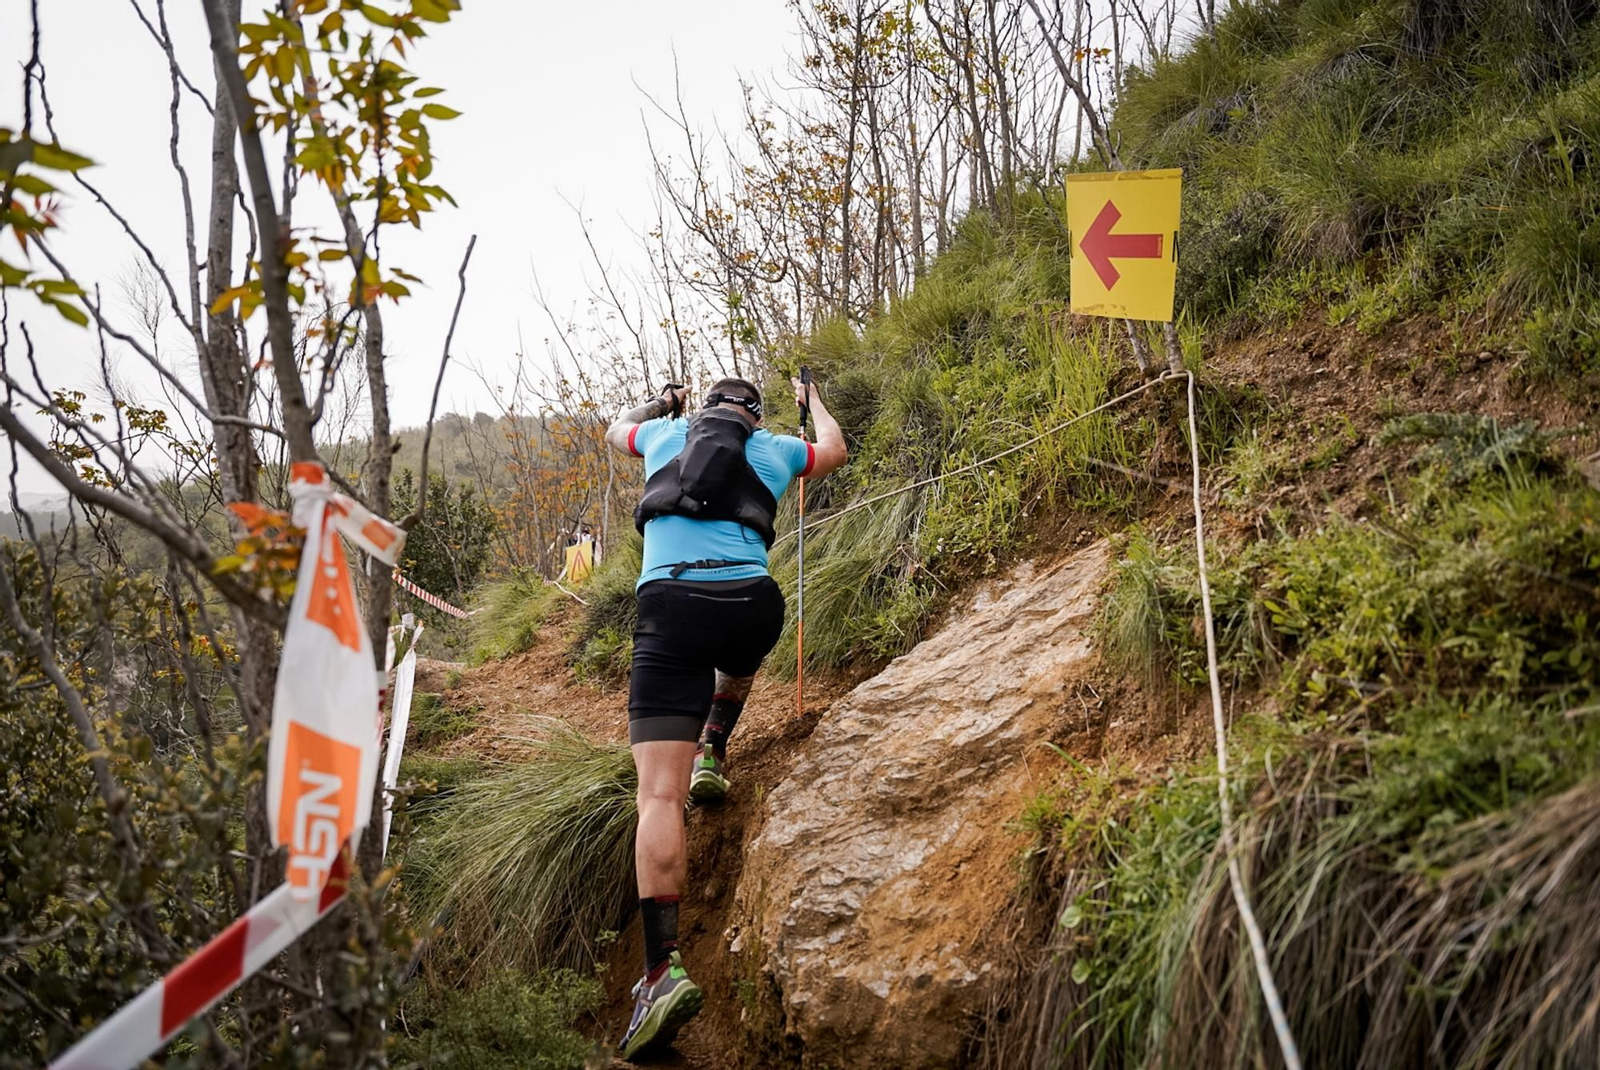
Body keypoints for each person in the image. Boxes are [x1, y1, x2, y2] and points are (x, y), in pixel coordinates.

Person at [603, 375, 847, 1059]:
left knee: (659, 796)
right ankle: (713, 745)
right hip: (750, 602)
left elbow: (613, 429)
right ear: (754, 417)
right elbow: (834, 449)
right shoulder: (775, 448)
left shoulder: (662, 435)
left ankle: (661, 972)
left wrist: (661, 403)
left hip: (671, 607)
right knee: (740, 653)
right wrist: (813, 402)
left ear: (705, 409)